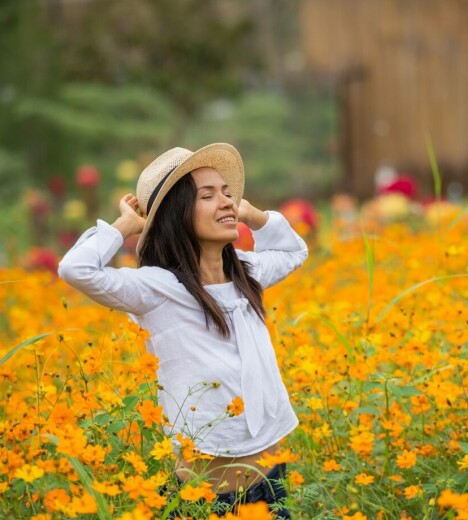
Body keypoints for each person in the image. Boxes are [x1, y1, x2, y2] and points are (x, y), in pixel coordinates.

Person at [58, 143, 308, 518]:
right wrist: (126, 224)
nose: (226, 202)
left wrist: (252, 214)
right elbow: (75, 269)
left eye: (227, 193)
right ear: (176, 215)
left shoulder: (245, 272)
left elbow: (293, 252)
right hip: (208, 502)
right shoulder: (156, 288)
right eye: (207, 196)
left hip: (272, 482)